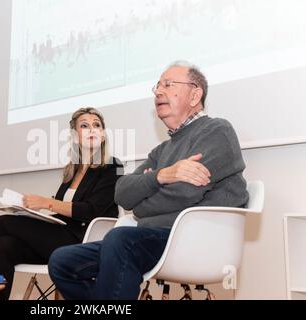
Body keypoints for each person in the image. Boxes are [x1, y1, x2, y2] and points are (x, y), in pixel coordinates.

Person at [48, 61, 250, 299]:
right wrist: (162, 176)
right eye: (157, 86)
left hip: (195, 239)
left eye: (168, 84)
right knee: (62, 261)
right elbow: (122, 193)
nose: (158, 91)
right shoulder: (162, 150)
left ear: (195, 95)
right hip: (153, 236)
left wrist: (142, 202)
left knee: (120, 239)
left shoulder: (216, 131)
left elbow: (183, 193)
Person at [0, 107, 122, 300]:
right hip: (61, 236)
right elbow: (62, 213)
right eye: (84, 126)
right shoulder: (72, 170)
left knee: (2, 222)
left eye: (97, 125)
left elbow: (90, 211)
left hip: (84, 241)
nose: (92, 129)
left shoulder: (113, 166)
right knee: (4, 246)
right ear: (75, 137)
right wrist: (31, 214)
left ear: (102, 136)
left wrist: (45, 202)